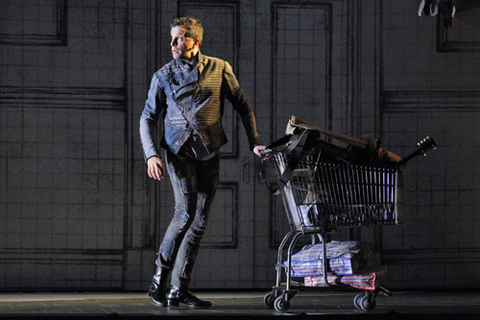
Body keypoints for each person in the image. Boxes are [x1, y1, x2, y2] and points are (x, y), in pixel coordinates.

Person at [139, 17, 266, 308]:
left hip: (209, 152)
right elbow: (147, 117)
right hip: (177, 153)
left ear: (195, 41)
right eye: (172, 38)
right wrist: (151, 154)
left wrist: (254, 141)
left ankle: (179, 288)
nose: (172, 43)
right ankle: (159, 280)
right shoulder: (163, 75)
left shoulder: (220, 68)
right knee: (184, 214)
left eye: (179, 38)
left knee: (200, 221)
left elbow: (242, 104)